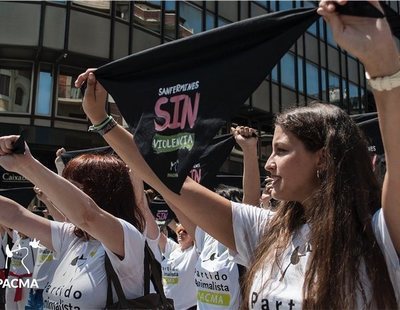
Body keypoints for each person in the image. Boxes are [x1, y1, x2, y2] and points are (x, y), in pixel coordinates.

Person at [74, 1, 399, 308]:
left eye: (282, 151)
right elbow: (167, 180)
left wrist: (382, 62)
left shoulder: (377, 236)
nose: (269, 164)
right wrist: (103, 122)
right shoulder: (269, 232)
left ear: (324, 158)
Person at [0, 148, 155, 309]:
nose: (58, 199)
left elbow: (88, 215)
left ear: (100, 193)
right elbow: (15, 215)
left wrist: (25, 164)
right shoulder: (70, 236)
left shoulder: (128, 238)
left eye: (71, 188)